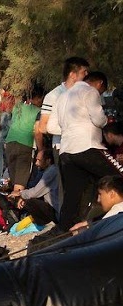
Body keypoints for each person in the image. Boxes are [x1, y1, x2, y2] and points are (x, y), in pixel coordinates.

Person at [53, 65, 116, 230]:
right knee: (118, 176)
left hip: (66, 150)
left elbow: (56, 124)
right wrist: (107, 120)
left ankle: (65, 231)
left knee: (73, 196)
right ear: (100, 83)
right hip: (88, 146)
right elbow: (98, 119)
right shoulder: (90, 91)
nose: (100, 95)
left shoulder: (63, 97)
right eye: (102, 92)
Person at [5, 84, 44, 195]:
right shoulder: (38, 111)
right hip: (25, 145)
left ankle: (10, 202)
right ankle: (16, 203)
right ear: (38, 98)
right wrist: (41, 149)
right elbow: (37, 131)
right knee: (19, 186)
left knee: (14, 180)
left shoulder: (18, 107)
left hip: (10, 143)